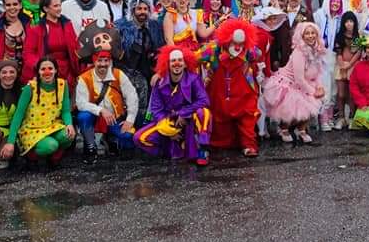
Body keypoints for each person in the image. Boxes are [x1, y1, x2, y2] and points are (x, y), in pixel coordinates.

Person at [134, 47, 212, 166]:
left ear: (185, 64)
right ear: (168, 64)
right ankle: (165, 151)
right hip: (169, 121)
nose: (177, 63)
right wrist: (168, 130)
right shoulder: (159, 83)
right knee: (139, 137)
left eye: (180, 60)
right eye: (173, 61)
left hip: (189, 121)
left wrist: (184, 113)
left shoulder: (194, 78)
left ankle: (202, 150)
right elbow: (156, 110)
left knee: (204, 113)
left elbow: (204, 100)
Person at [199, 19, 264, 157]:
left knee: (247, 116)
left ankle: (248, 145)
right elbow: (194, 58)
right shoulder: (213, 49)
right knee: (220, 118)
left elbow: (259, 55)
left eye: (241, 44)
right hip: (220, 92)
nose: (237, 47)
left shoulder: (249, 50)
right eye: (234, 43)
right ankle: (223, 143)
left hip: (243, 91)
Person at [0, 57, 75, 166]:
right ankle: (31, 156)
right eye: (43, 69)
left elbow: (65, 111)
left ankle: (54, 157)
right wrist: (10, 142)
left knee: (68, 135)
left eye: (50, 68)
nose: (47, 72)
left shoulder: (62, 85)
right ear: (38, 72)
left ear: (56, 70)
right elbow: (18, 115)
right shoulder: (30, 88)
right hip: (33, 129)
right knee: (51, 145)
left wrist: (69, 124)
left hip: (53, 126)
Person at [262, 22, 326, 145]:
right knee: (291, 108)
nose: (311, 36)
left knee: (312, 104)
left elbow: (317, 72)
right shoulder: (299, 52)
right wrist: (313, 92)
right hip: (289, 83)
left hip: (306, 82)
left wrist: (319, 87)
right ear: (301, 36)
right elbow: (299, 79)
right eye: (307, 33)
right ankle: (284, 129)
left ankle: (301, 129)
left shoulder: (317, 50)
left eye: (313, 33)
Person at [75, 50, 139, 164]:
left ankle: (110, 138)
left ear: (110, 62)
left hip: (115, 118)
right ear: (94, 61)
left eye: (106, 61)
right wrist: (101, 110)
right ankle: (90, 146)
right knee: (83, 117)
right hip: (94, 117)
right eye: (100, 61)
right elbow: (81, 103)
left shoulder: (119, 74)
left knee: (129, 138)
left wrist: (130, 120)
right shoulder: (84, 78)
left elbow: (132, 95)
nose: (103, 64)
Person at [115, 0, 164, 112]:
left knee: (146, 106)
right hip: (126, 71)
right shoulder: (121, 27)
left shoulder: (155, 27)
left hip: (148, 71)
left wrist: (158, 72)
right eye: (139, 9)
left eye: (145, 9)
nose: (143, 12)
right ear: (133, 10)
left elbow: (160, 50)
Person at [22, 0, 81, 86]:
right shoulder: (36, 28)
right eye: (55, 6)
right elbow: (28, 53)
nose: (59, 9)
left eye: (60, 5)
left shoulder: (67, 25)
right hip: (46, 73)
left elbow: (76, 48)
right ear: (45, 9)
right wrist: (41, 67)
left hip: (68, 73)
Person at [315, 0, 347, 129]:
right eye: (333, 1)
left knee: (334, 88)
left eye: (338, 2)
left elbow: (354, 33)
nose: (335, 4)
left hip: (336, 56)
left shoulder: (342, 19)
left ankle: (330, 117)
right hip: (322, 55)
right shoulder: (320, 16)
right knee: (325, 86)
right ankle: (323, 119)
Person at [332, 12, 361, 130]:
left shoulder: (357, 36)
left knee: (352, 94)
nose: (349, 24)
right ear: (343, 23)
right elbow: (338, 53)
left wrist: (350, 64)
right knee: (341, 93)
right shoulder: (339, 36)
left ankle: (352, 117)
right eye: (347, 22)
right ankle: (341, 117)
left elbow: (358, 53)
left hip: (353, 67)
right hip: (341, 66)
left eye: (351, 21)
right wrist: (342, 66)